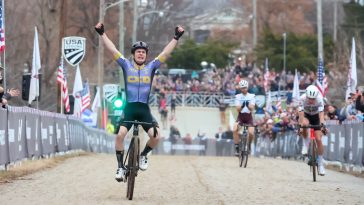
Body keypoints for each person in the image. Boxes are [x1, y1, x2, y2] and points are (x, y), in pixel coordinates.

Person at [95, 22, 184, 182]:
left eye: (143, 52)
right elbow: (113, 49)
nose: (141, 54)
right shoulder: (125, 65)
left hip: (143, 110)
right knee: (120, 135)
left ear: (146, 55)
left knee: (156, 137)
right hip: (129, 109)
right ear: (134, 54)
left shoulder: (151, 67)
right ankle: (120, 167)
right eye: (138, 52)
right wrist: (102, 34)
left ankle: (143, 155)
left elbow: (165, 52)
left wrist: (176, 37)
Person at [298, 85, 327, 176]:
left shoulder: (319, 99)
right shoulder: (302, 98)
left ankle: (321, 163)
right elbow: (301, 114)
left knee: (318, 139)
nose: (311, 100)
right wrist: (301, 126)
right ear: (306, 95)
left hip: (316, 117)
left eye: (313, 99)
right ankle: (305, 145)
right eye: (309, 98)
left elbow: (321, 114)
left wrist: (322, 125)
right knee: (304, 124)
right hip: (306, 115)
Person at [233, 79, 256, 156]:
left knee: (251, 133)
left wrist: (248, 105)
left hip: (249, 117)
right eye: (242, 88)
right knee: (235, 129)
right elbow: (237, 109)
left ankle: (249, 145)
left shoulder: (252, 96)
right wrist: (242, 106)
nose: (244, 89)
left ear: (247, 87)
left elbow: (252, 108)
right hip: (241, 117)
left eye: (245, 87)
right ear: (240, 88)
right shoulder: (238, 96)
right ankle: (236, 147)